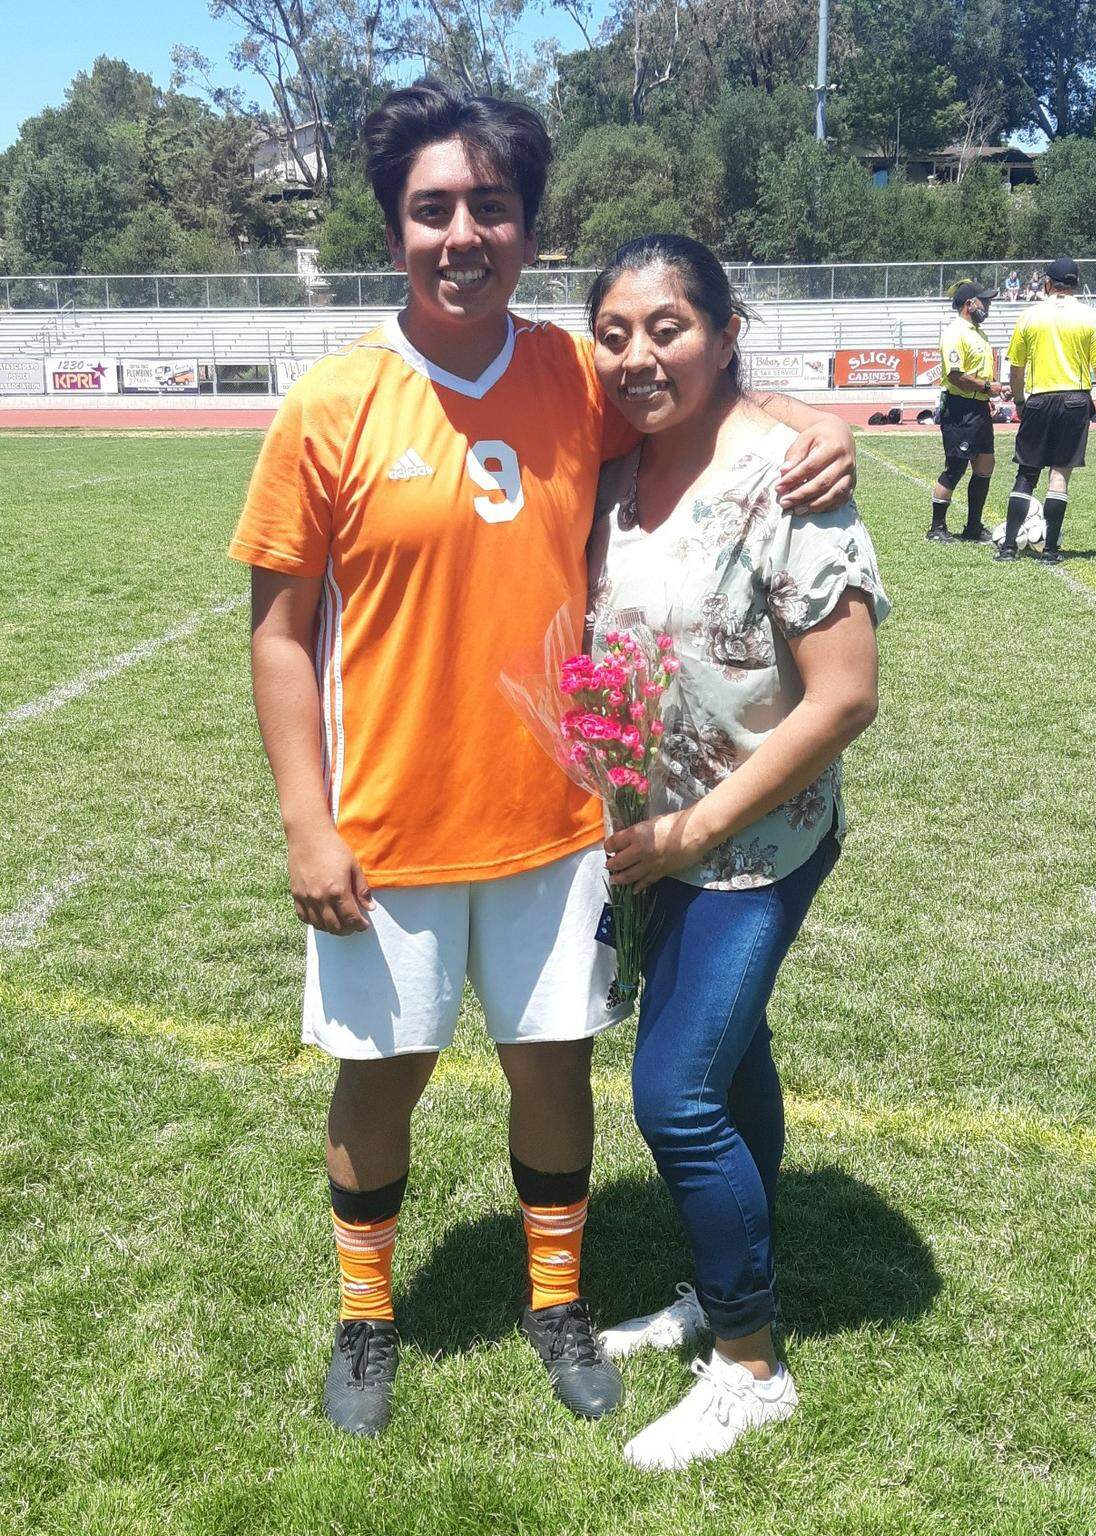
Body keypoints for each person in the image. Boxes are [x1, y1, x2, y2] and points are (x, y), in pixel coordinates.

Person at [228, 82, 858, 1440]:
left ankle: (557, 1304)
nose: (464, 232)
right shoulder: (332, 403)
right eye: (433, 208)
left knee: (551, 1069)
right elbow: (281, 638)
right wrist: (304, 821)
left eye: (491, 207)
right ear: (394, 225)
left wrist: (819, 417)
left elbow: (703, 400)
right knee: (378, 1077)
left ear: (527, 225)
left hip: (565, 822)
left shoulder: (575, 378)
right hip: (384, 827)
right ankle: (365, 1321)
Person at [584, 236, 889, 1471]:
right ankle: (721, 1293)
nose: (639, 354)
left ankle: (751, 1368)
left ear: (723, 328)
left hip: (752, 843)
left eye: (669, 327)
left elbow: (846, 696)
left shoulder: (787, 476)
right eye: (613, 332)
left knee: (676, 1094)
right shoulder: (610, 461)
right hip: (654, 839)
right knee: (734, 1054)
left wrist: (695, 829)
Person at [997, 257, 1096, 564]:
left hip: (1038, 399)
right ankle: (1050, 551)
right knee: (1059, 474)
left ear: (1048, 283)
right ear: (1075, 283)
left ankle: (1009, 547)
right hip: (1075, 400)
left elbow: (1016, 368)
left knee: (1026, 473)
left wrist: (1021, 402)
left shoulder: (1029, 316)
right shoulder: (1092, 317)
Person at [928, 281, 1005, 544]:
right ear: (969, 304)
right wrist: (987, 387)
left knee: (985, 465)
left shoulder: (978, 333)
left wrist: (987, 395)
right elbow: (956, 376)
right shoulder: (955, 333)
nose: (989, 305)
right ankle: (937, 528)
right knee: (956, 467)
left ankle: (973, 527)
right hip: (960, 408)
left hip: (978, 407)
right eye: (985, 300)